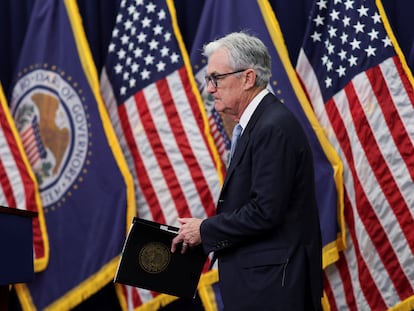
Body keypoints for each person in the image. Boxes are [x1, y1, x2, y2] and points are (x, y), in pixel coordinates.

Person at [171, 31, 323, 310]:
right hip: (261, 285)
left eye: (216, 78)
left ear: (248, 78)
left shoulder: (273, 127)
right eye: (208, 79)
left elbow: (265, 211)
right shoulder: (257, 125)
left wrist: (204, 229)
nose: (210, 88)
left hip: (274, 289)